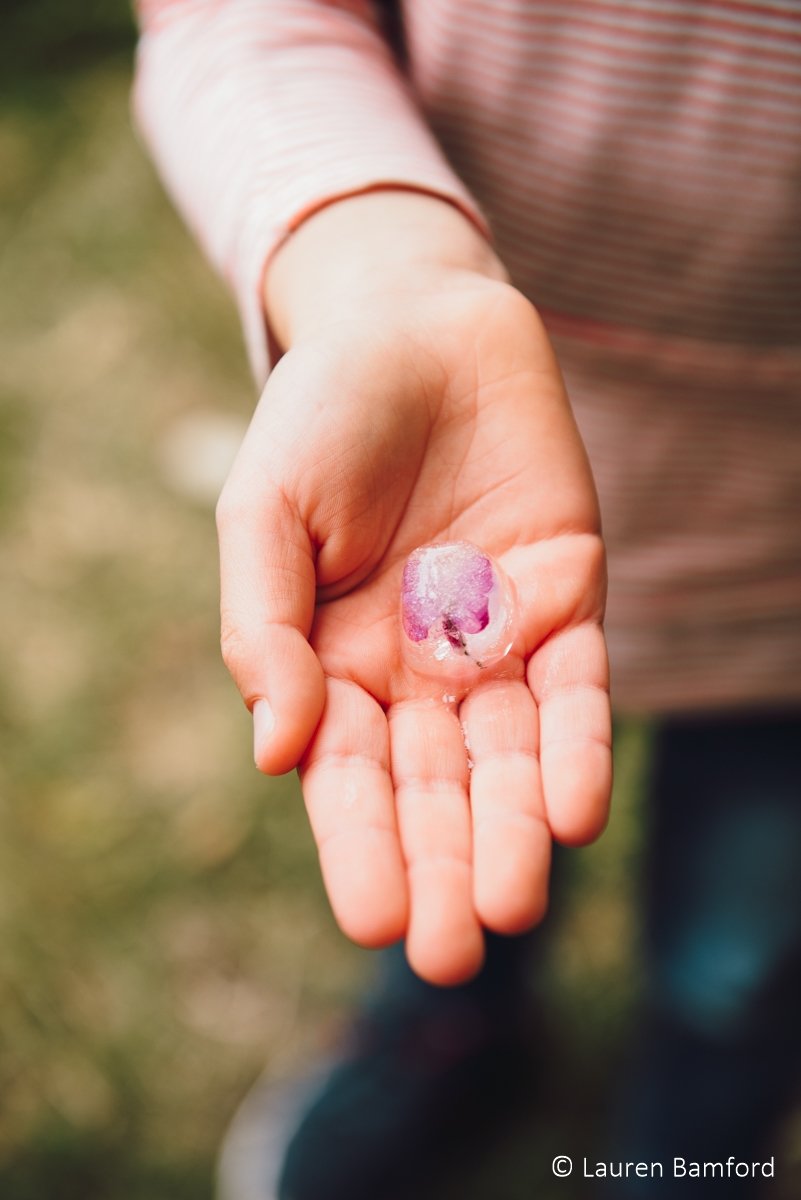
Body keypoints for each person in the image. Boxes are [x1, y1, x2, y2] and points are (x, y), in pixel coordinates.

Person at [133, 2, 801, 1196]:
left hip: (784, 597)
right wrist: (382, 268)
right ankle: (453, 1035)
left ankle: (704, 1134)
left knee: (742, 950)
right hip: (474, 446)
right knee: (464, 886)